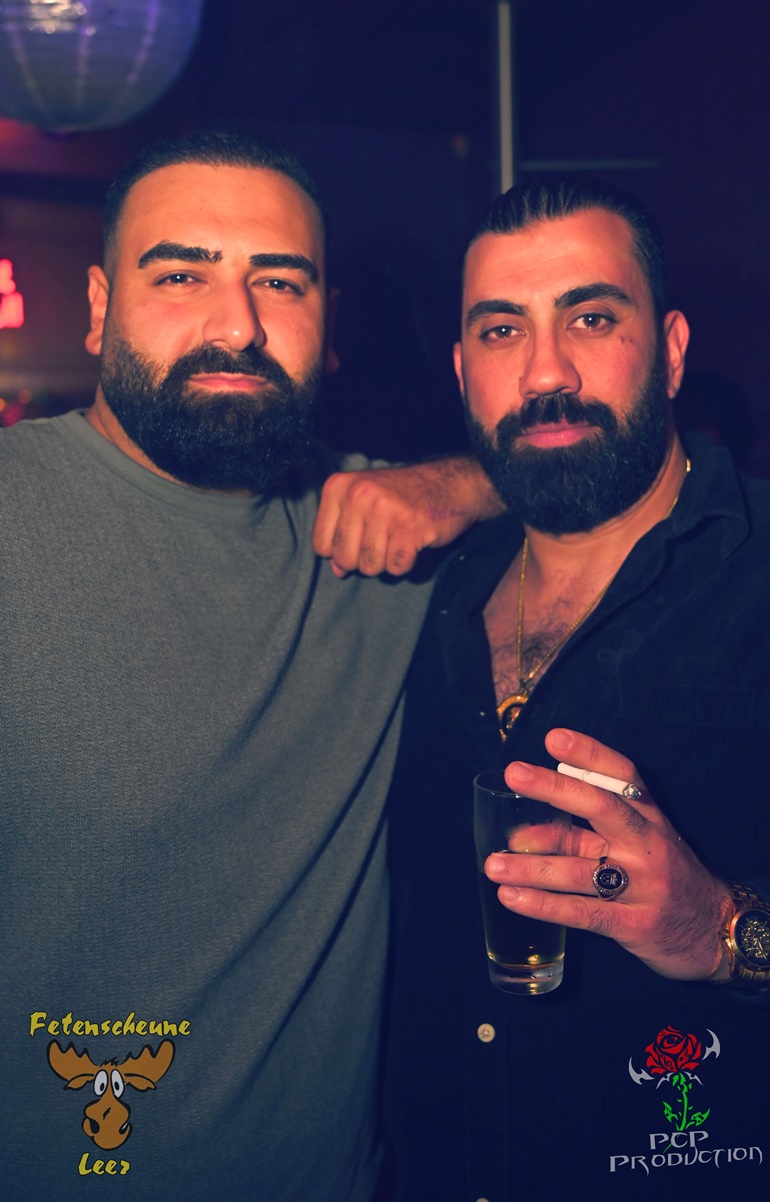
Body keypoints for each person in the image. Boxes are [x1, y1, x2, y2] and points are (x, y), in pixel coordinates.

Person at [0, 130, 500, 1201]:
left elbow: (614, 469)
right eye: (180, 275)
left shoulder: (385, 537)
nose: (237, 324)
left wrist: (464, 483)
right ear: (98, 307)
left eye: (280, 281)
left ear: (329, 327)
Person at [385, 178, 770, 1200]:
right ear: (462, 371)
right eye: (501, 330)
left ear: (671, 350)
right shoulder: (418, 598)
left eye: (590, 318)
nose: (544, 371)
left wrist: (718, 927)